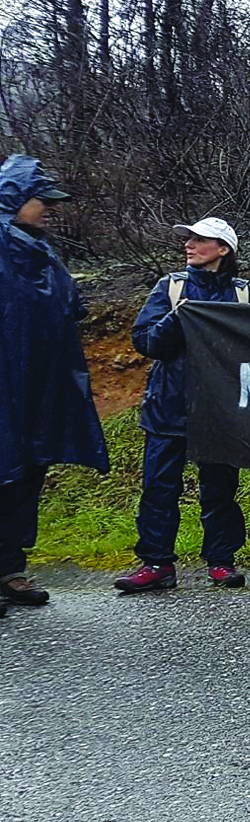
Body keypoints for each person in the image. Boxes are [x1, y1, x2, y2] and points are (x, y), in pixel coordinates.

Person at [112, 218, 250, 593]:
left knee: (220, 489)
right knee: (159, 488)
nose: (189, 245)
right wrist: (178, 318)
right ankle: (157, 563)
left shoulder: (245, 295)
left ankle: (221, 563)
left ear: (223, 249)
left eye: (200, 239)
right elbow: (146, 342)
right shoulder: (172, 287)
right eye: (188, 239)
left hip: (221, 410)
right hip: (168, 407)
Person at [0, 155, 108, 608]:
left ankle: (9, 569)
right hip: (6, 382)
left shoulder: (42, 253)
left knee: (28, 470)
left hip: (40, 386)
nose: (50, 209)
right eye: (41, 200)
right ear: (15, 199)